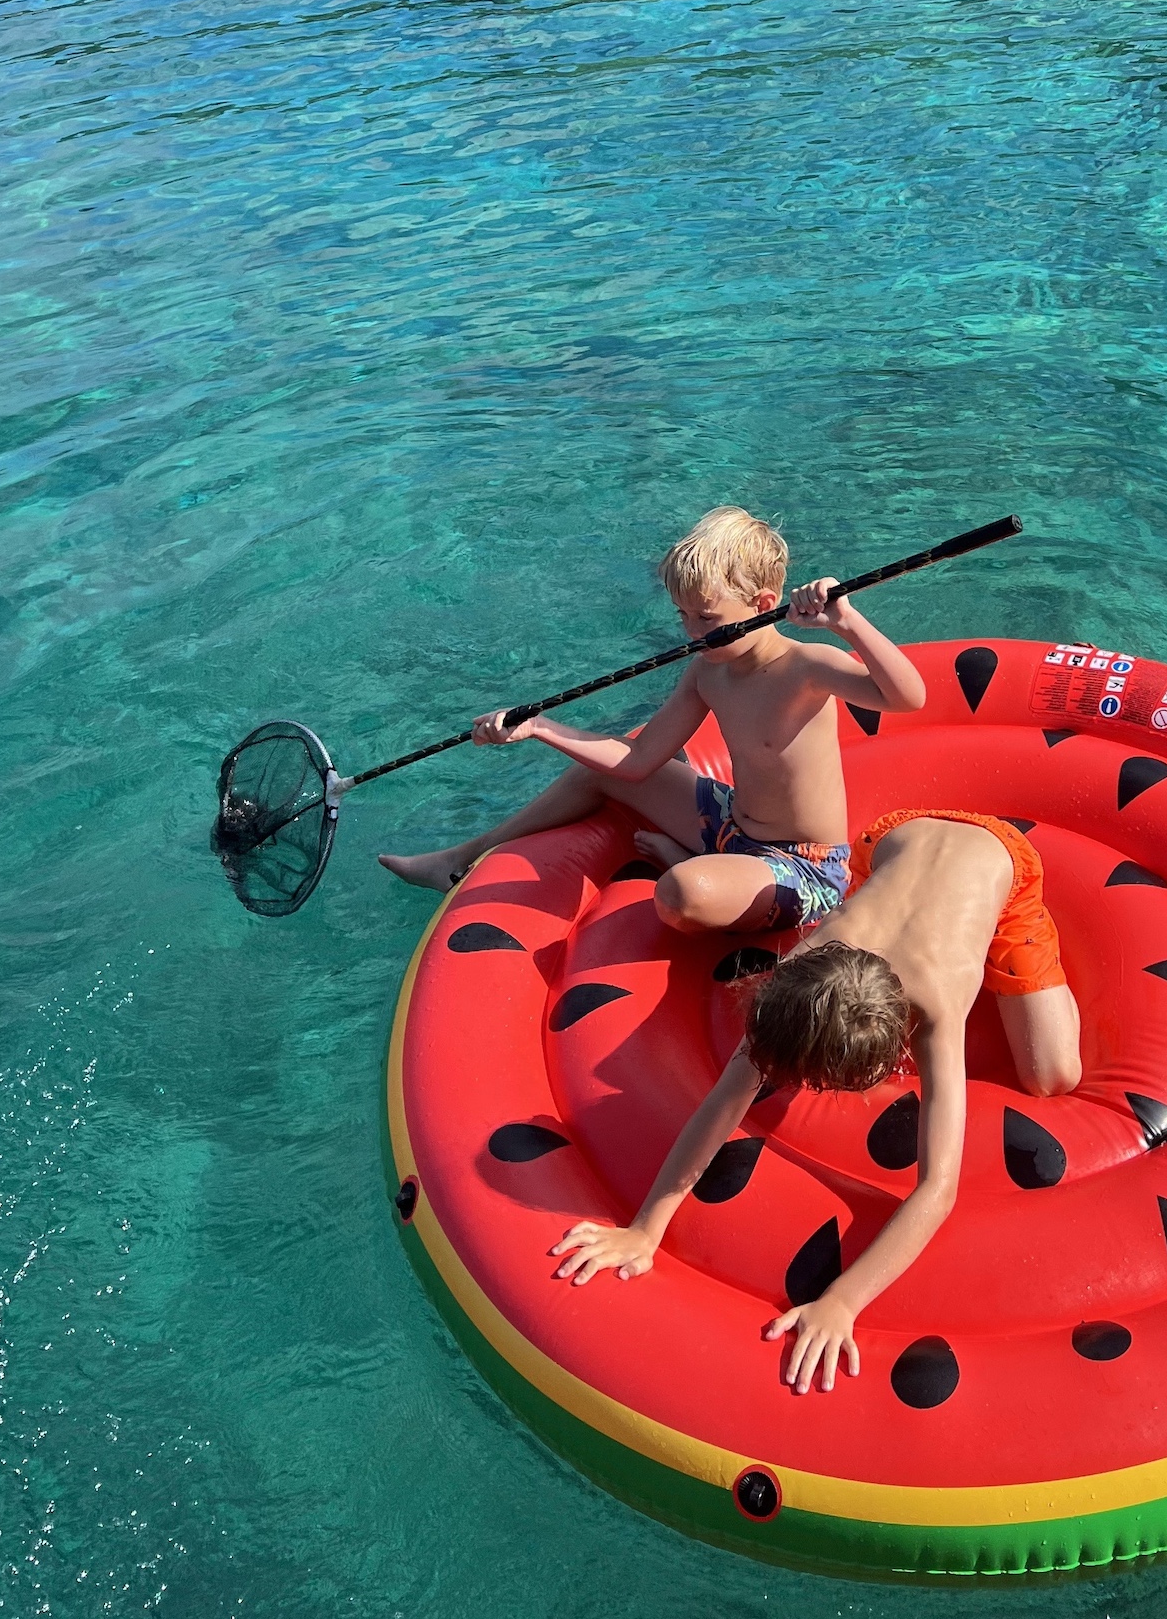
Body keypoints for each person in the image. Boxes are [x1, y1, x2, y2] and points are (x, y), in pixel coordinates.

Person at [548, 809, 1082, 1395]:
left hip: (999, 857)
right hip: (888, 841)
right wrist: (646, 1229)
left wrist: (843, 1301)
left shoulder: (938, 1003)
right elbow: (725, 1100)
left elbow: (937, 1189)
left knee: (1053, 1075)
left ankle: (1024, 931)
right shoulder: (803, 973)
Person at [377, 507, 927, 934]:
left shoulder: (808, 667)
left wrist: (846, 623)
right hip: (729, 822)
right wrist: (541, 727)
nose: (692, 632)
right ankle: (461, 858)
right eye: (683, 615)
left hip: (802, 865)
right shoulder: (707, 671)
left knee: (680, 895)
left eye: (706, 617)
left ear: (763, 604)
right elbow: (638, 760)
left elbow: (908, 699)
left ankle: (687, 861)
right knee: (597, 772)